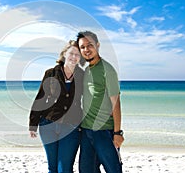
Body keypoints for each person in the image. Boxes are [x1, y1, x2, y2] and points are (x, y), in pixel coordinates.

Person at [29, 40, 85, 173]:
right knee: (52, 168)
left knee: (65, 168)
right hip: (48, 125)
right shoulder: (50, 73)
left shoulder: (83, 75)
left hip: (71, 126)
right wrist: (33, 124)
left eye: (78, 55)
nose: (74, 57)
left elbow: (89, 99)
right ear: (64, 54)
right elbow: (40, 98)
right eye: (71, 53)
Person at [76, 31, 124, 173]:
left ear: (97, 45)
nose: (86, 49)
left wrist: (118, 132)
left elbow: (116, 103)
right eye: (82, 47)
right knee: (86, 170)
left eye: (90, 45)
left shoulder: (107, 70)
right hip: (86, 130)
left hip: (103, 131)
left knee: (113, 169)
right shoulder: (86, 70)